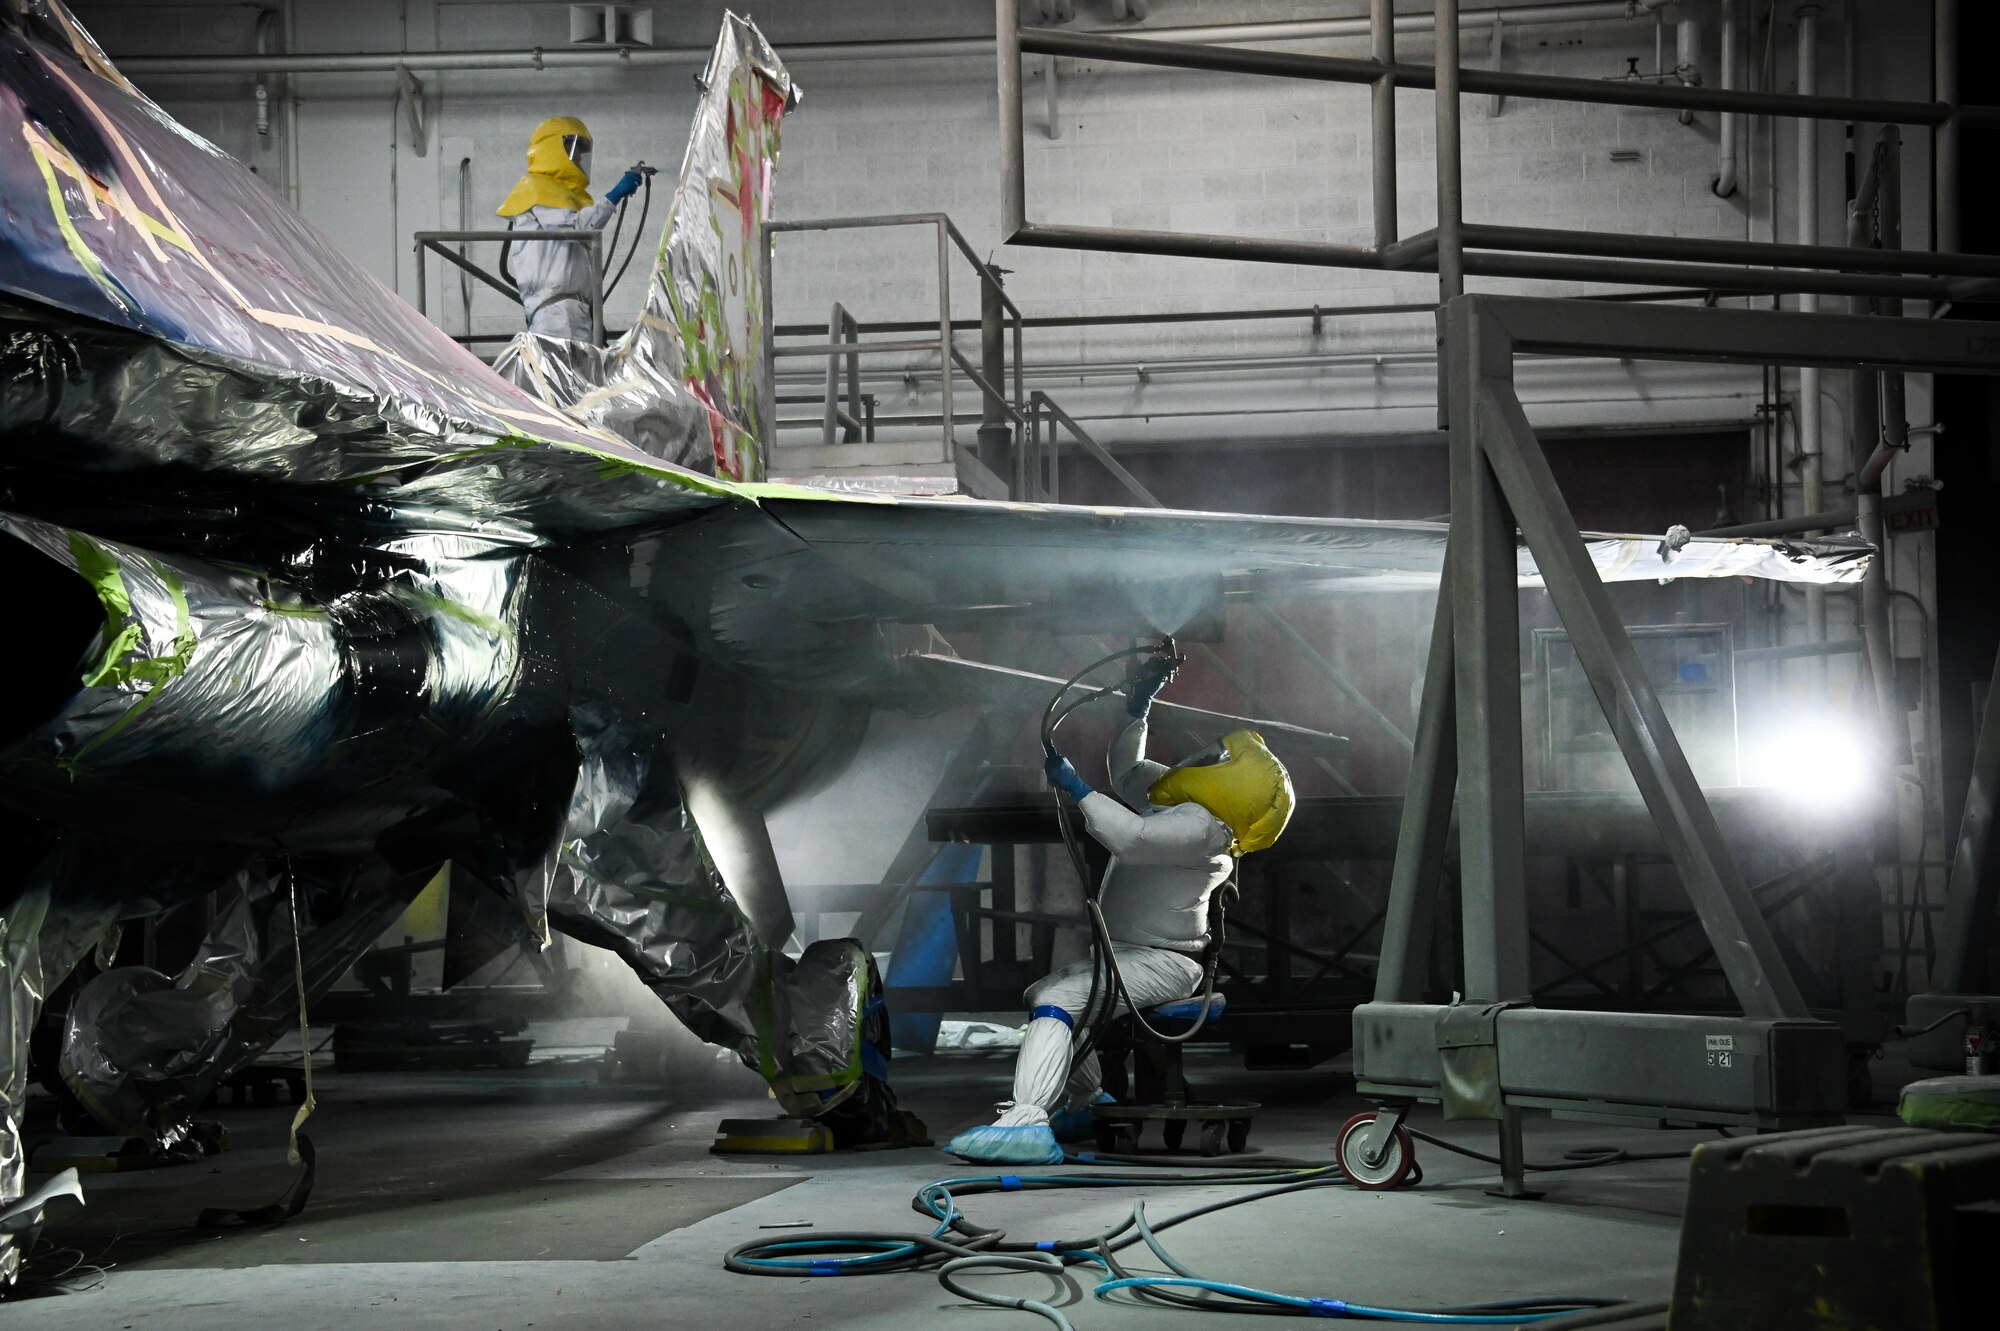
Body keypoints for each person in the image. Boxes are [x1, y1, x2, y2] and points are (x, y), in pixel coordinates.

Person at [944, 654, 1295, 1165]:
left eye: (1216, 758)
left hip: (1164, 962)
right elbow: (1128, 771)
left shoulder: (1205, 831)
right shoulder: (1182, 807)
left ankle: (1026, 1122)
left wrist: (1078, 789)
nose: (1203, 756)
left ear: (1233, 782)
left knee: (1063, 997)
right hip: (1129, 953)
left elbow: (1131, 837)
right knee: (1043, 992)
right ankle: (1087, 1103)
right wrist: (1138, 708)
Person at [496, 116, 642, 340]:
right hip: (556, 314)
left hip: (572, 311)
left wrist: (593, 316)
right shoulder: (538, 189)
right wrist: (614, 196)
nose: (577, 158)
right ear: (551, 149)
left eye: (581, 152)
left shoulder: (563, 196)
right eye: (571, 149)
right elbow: (578, 228)